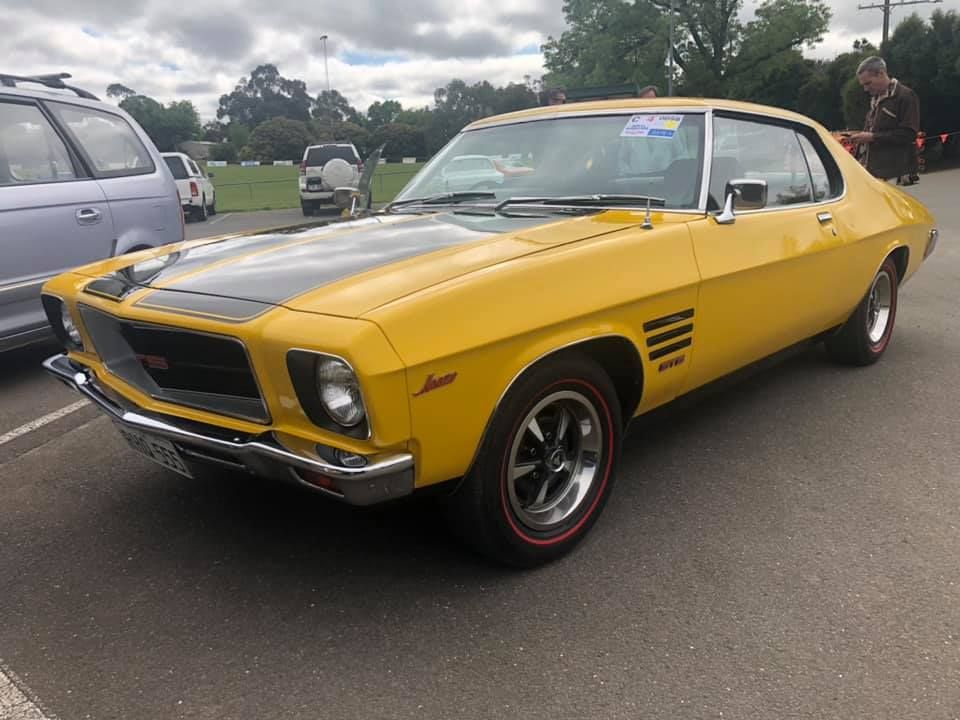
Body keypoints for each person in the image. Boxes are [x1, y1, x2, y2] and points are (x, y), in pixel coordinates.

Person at [849, 56, 920, 183]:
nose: (865, 89)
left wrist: (872, 137)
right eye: (863, 85)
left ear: (881, 73)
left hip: (897, 174)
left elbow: (909, 134)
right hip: (874, 174)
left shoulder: (905, 96)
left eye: (868, 83)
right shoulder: (875, 100)